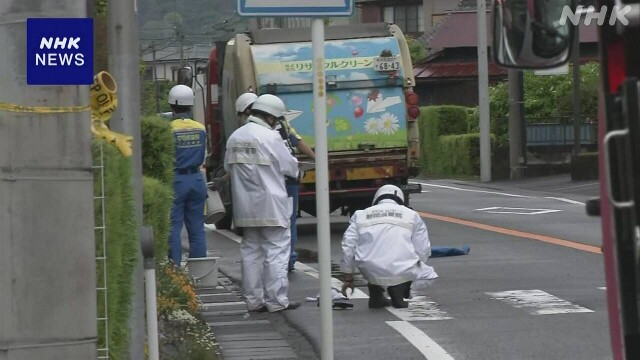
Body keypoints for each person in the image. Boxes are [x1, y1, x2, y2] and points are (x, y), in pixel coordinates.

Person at [224, 94, 301, 312]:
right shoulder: (270, 137)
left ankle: (253, 301)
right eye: (276, 119)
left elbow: (228, 168)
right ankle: (276, 301)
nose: (276, 123)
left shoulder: (235, 137)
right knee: (276, 251)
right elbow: (290, 167)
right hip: (271, 205)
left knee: (251, 253)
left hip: (244, 208)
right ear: (269, 116)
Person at [340, 184, 438, 308]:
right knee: (430, 275)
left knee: (372, 261)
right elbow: (423, 249)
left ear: (377, 199)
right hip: (401, 269)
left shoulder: (360, 215)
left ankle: (376, 295)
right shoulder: (411, 215)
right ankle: (402, 289)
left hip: (369, 269)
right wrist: (413, 269)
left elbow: (348, 245)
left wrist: (348, 276)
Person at [166, 84, 208, 266]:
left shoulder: (168, 129)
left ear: (172, 106)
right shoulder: (200, 128)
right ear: (190, 106)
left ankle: (175, 272)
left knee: (173, 229)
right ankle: (199, 271)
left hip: (176, 180)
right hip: (197, 179)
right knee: (197, 229)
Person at [274, 116, 315, 272]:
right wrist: (316, 158)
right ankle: (288, 258)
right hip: (290, 179)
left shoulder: (258, 130)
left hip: (277, 180)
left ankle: (285, 258)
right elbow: (298, 142)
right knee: (288, 220)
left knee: (279, 220)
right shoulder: (284, 125)